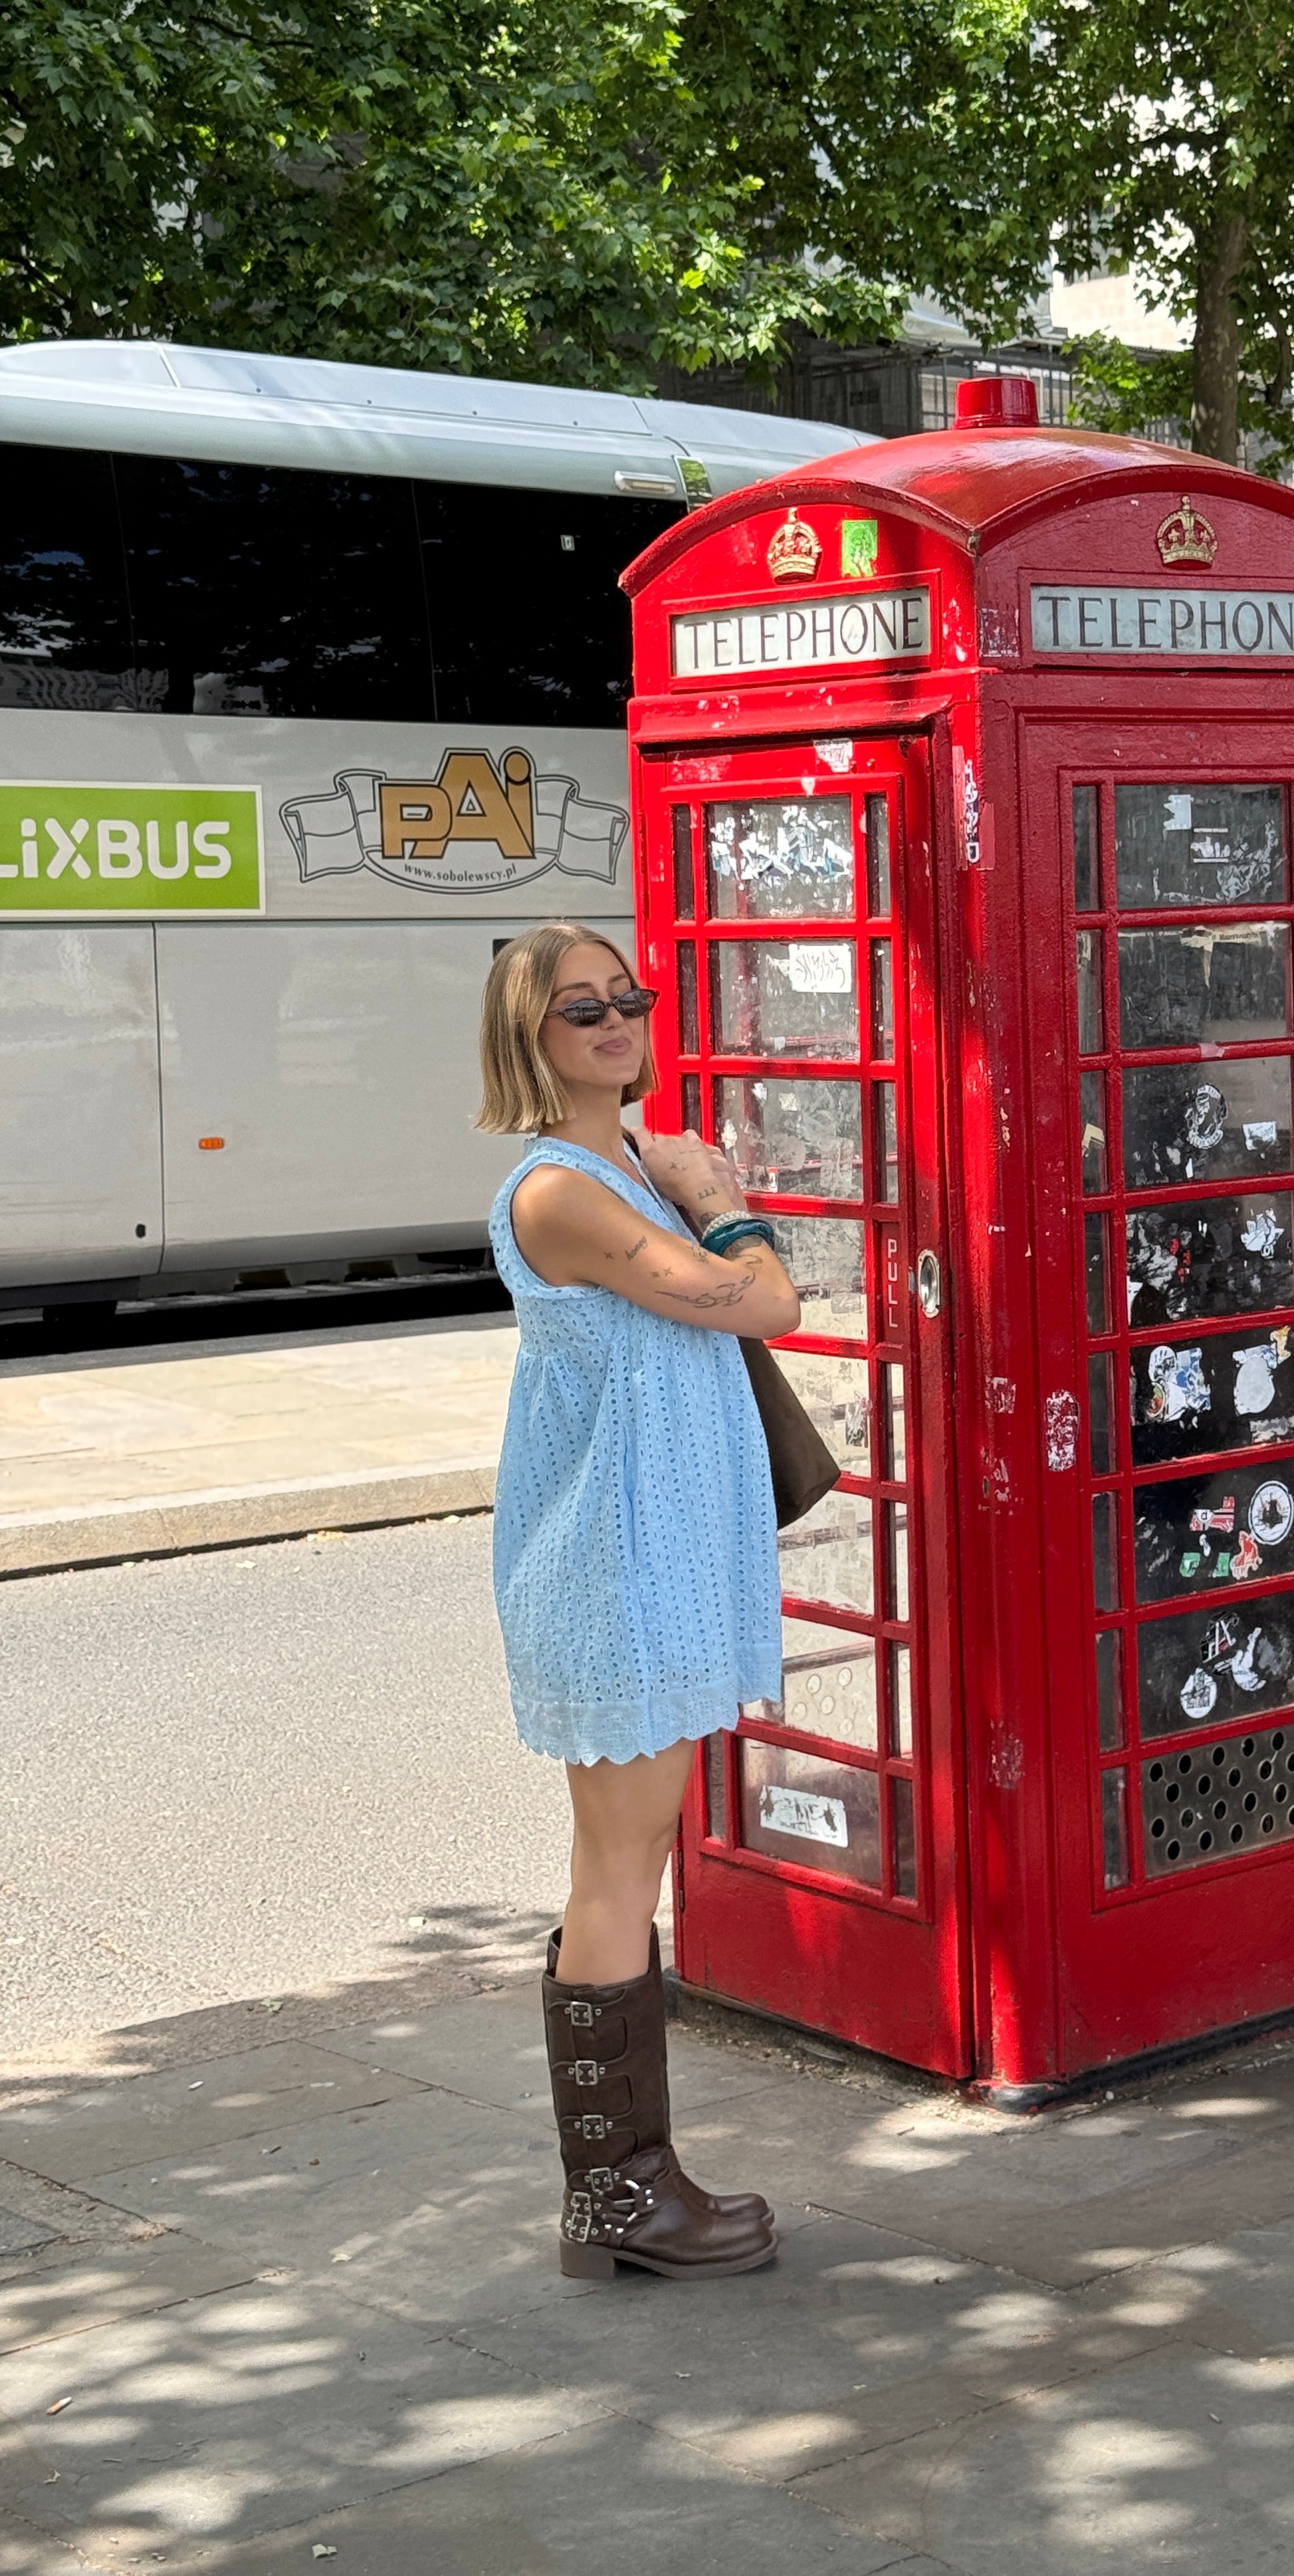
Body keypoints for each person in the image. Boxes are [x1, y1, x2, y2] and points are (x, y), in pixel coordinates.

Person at [477, 919, 801, 2282]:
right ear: (526, 1041)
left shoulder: (624, 1162)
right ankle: (616, 2202)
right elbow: (762, 1301)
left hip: (656, 1554)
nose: (616, 1023)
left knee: (632, 1861)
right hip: (612, 1569)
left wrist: (678, 1174)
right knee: (617, 1869)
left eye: (630, 999)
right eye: (580, 1012)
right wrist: (721, 1193)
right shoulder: (564, 1191)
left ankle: (631, 2190)